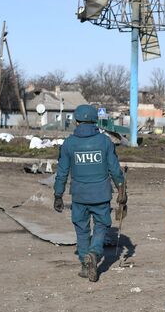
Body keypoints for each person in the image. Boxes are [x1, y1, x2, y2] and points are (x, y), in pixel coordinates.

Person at [53, 105, 125, 282]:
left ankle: (85, 265)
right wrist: (122, 190)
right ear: (95, 120)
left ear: (76, 121)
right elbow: (115, 170)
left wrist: (58, 194)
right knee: (100, 226)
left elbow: (62, 172)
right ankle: (93, 253)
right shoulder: (105, 142)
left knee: (82, 229)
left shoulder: (69, 143)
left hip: (79, 195)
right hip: (101, 194)